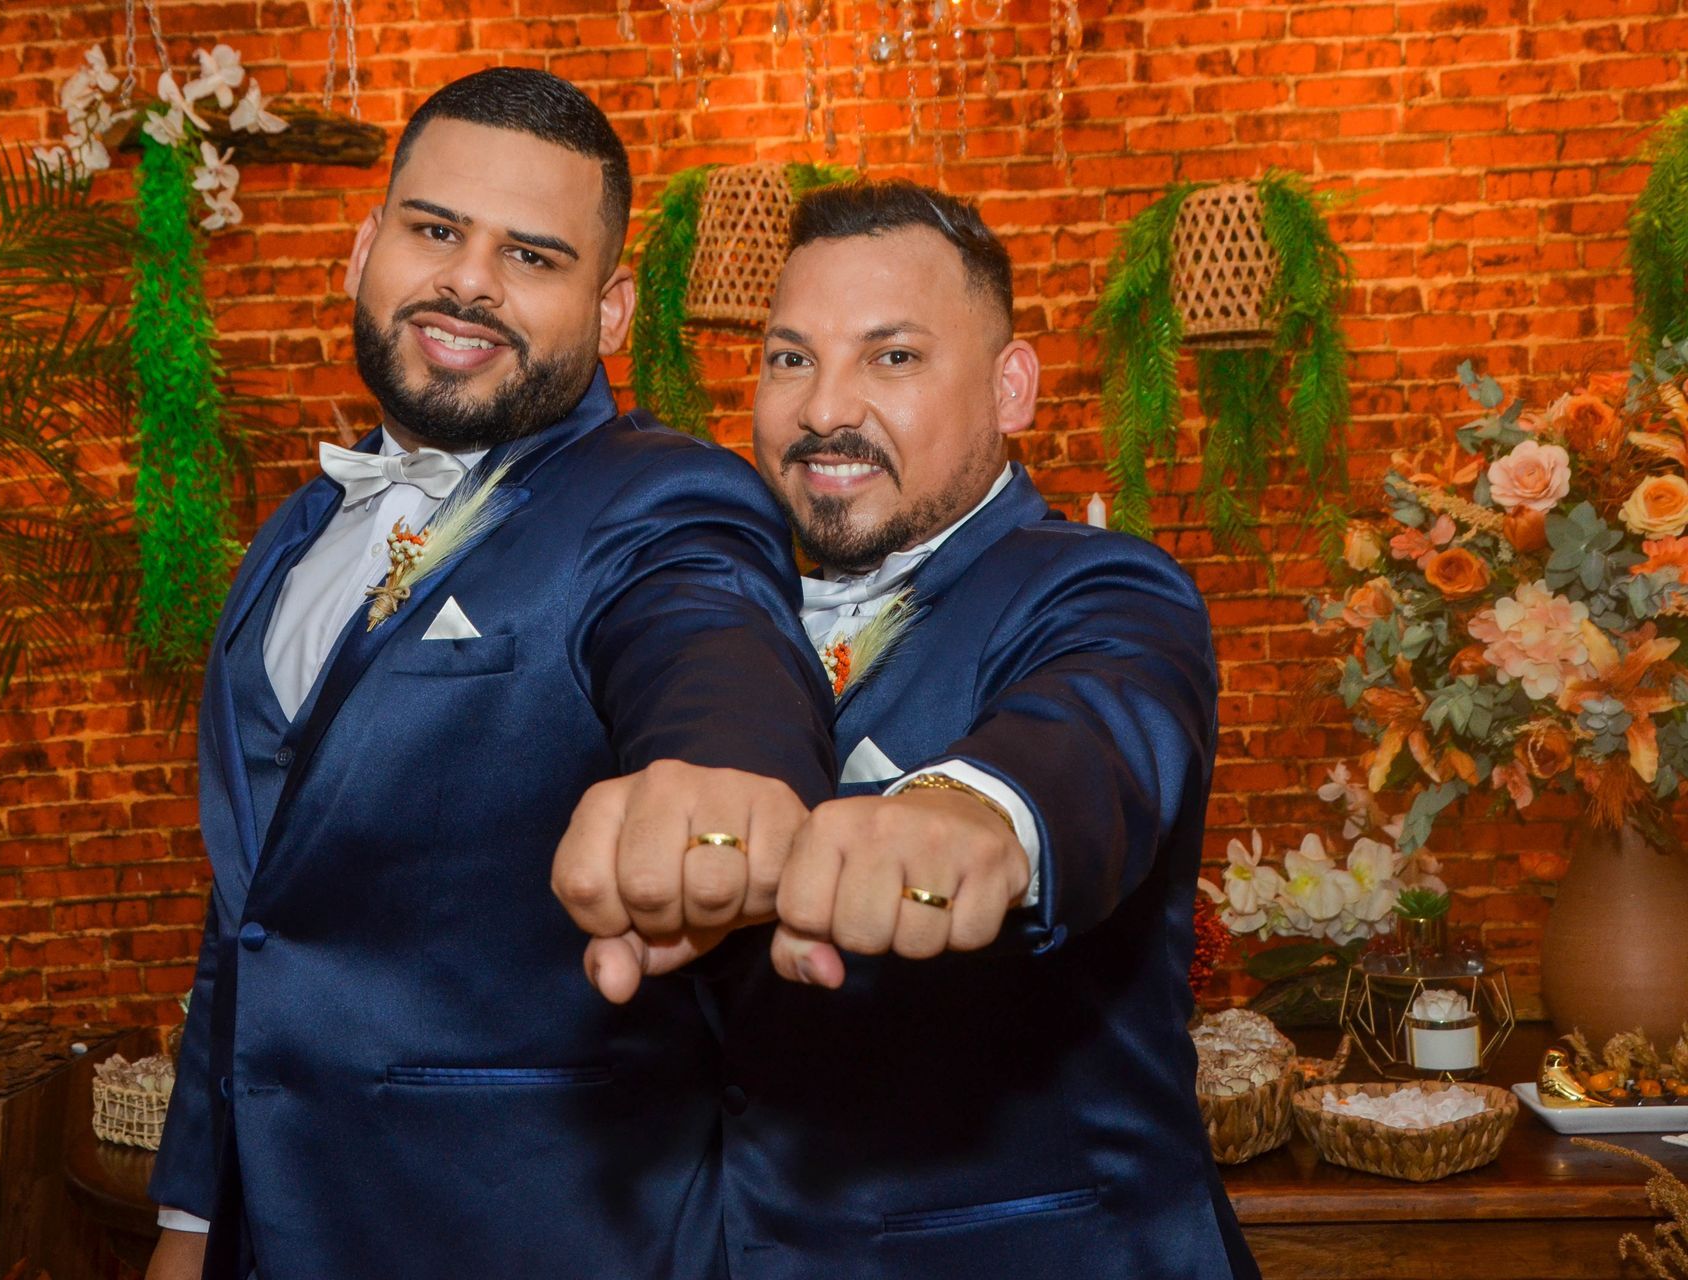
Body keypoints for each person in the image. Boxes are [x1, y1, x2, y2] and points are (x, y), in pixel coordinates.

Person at [145, 68, 832, 1280]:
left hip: (534, 1236)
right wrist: (190, 1221)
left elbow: (708, 640)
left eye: (533, 255)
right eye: (435, 230)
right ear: (368, 248)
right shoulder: (291, 538)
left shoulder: (661, 500)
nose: (468, 280)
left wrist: (730, 781)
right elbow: (251, 919)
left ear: (611, 310)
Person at [558, 182, 1259, 1278]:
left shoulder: (1100, 587)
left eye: (892, 358)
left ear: (1011, 386)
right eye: (791, 358)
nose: (825, 408)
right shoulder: (701, 613)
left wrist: (976, 810)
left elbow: (1102, 727)